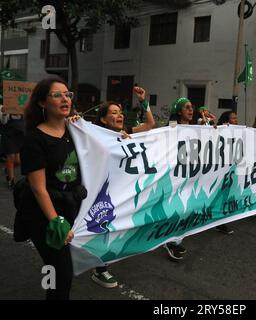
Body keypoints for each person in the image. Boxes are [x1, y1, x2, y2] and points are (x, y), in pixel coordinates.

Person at [19, 77, 84, 300]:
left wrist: (121, 137)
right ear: (42, 103)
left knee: (62, 272)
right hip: (44, 214)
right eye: (57, 95)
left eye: (67, 94)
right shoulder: (34, 139)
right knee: (60, 275)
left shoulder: (77, 131)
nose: (65, 99)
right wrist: (56, 222)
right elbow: (38, 189)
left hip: (71, 208)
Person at [91, 86, 154, 287]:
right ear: (103, 119)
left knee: (112, 227)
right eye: (114, 113)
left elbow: (150, 124)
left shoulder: (126, 133)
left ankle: (100, 264)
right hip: (98, 190)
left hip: (120, 190)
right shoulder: (95, 135)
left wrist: (144, 102)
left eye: (120, 112)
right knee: (100, 225)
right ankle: (99, 268)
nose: (119, 115)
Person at [163, 97, 195, 261]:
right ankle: (171, 241)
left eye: (192, 107)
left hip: (191, 175)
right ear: (179, 111)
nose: (191, 110)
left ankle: (175, 238)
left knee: (187, 208)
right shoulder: (173, 127)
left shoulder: (198, 129)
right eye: (187, 107)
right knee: (177, 208)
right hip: (175, 175)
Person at [0, 106, 25, 189]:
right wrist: (4, 113)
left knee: (18, 161)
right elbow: (3, 122)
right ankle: (11, 180)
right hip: (9, 135)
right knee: (10, 157)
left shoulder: (23, 107)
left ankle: (7, 170)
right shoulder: (3, 107)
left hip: (19, 135)